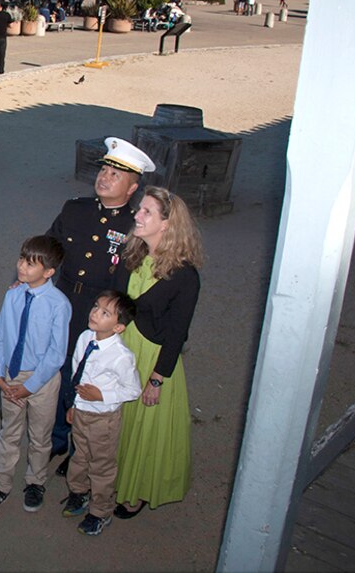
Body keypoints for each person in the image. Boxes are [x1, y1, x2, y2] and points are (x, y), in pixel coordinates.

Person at [47, 138, 155, 471]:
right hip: (64, 304)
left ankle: (81, 449)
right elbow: (49, 247)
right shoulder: (74, 209)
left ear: (132, 187)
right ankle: (58, 440)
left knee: (88, 379)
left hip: (101, 317)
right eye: (104, 170)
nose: (104, 178)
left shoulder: (135, 226)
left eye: (115, 175)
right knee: (60, 373)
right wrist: (28, 275)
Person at [112, 186, 204, 518]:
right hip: (123, 349)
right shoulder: (132, 255)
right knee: (119, 421)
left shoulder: (185, 277)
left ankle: (136, 490)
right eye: (140, 209)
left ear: (166, 224)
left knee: (145, 430)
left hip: (152, 357)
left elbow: (177, 333)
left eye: (147, 211)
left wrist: (157, 380)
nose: (137, 214)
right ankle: (115, 478)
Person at [0, 235, 70, 517]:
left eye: (31, 264)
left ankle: (35, 482)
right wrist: (0, 375)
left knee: (40, 436)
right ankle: (0, 484)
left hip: (42, 381)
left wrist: (30, 386)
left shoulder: (59, 304)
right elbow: (0, 337)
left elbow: (56, 354)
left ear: (49, 271)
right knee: (9, 432)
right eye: (21, 259)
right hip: (11, 376)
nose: (22, 267)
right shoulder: (13, 294)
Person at [61, 290, 142, 536]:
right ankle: (78, 493)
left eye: (105, 313)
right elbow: (77, 371)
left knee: (102, 467)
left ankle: (100, 512)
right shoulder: (85, 337)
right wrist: (74, 405)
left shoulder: (121, 356)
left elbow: (133, 390)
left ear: (118, 327)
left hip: (103, 421)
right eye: (96, 307)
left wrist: (102, 396)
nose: (95, 313)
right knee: (79, 457)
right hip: (82, 414)